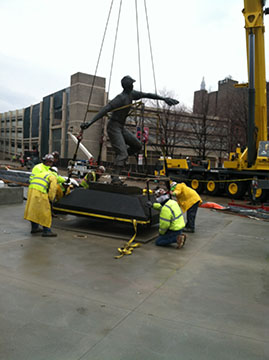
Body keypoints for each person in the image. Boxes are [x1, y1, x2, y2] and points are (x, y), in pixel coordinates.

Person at [80, 75, 179, 184]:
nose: (133, 85)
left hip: (121, 127)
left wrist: (164, 99)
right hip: (113, 127)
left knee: (137, 146)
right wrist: (90, 123)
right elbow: (105, 109)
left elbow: (147, 95)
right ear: (127, 86)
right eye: (131, 84)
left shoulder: (132, 94)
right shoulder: (120, 98)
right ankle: (115, 177)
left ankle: (121, 157)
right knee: (123, 153)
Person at [24, 170, 58, 237]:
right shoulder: (53, 177)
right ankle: (47, 231)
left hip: (31, 192)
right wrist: (51, 198)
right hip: (40, 192)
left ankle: (35, 228)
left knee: (34, 210)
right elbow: (53, 189)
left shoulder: (41, 174)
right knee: (45, 212)